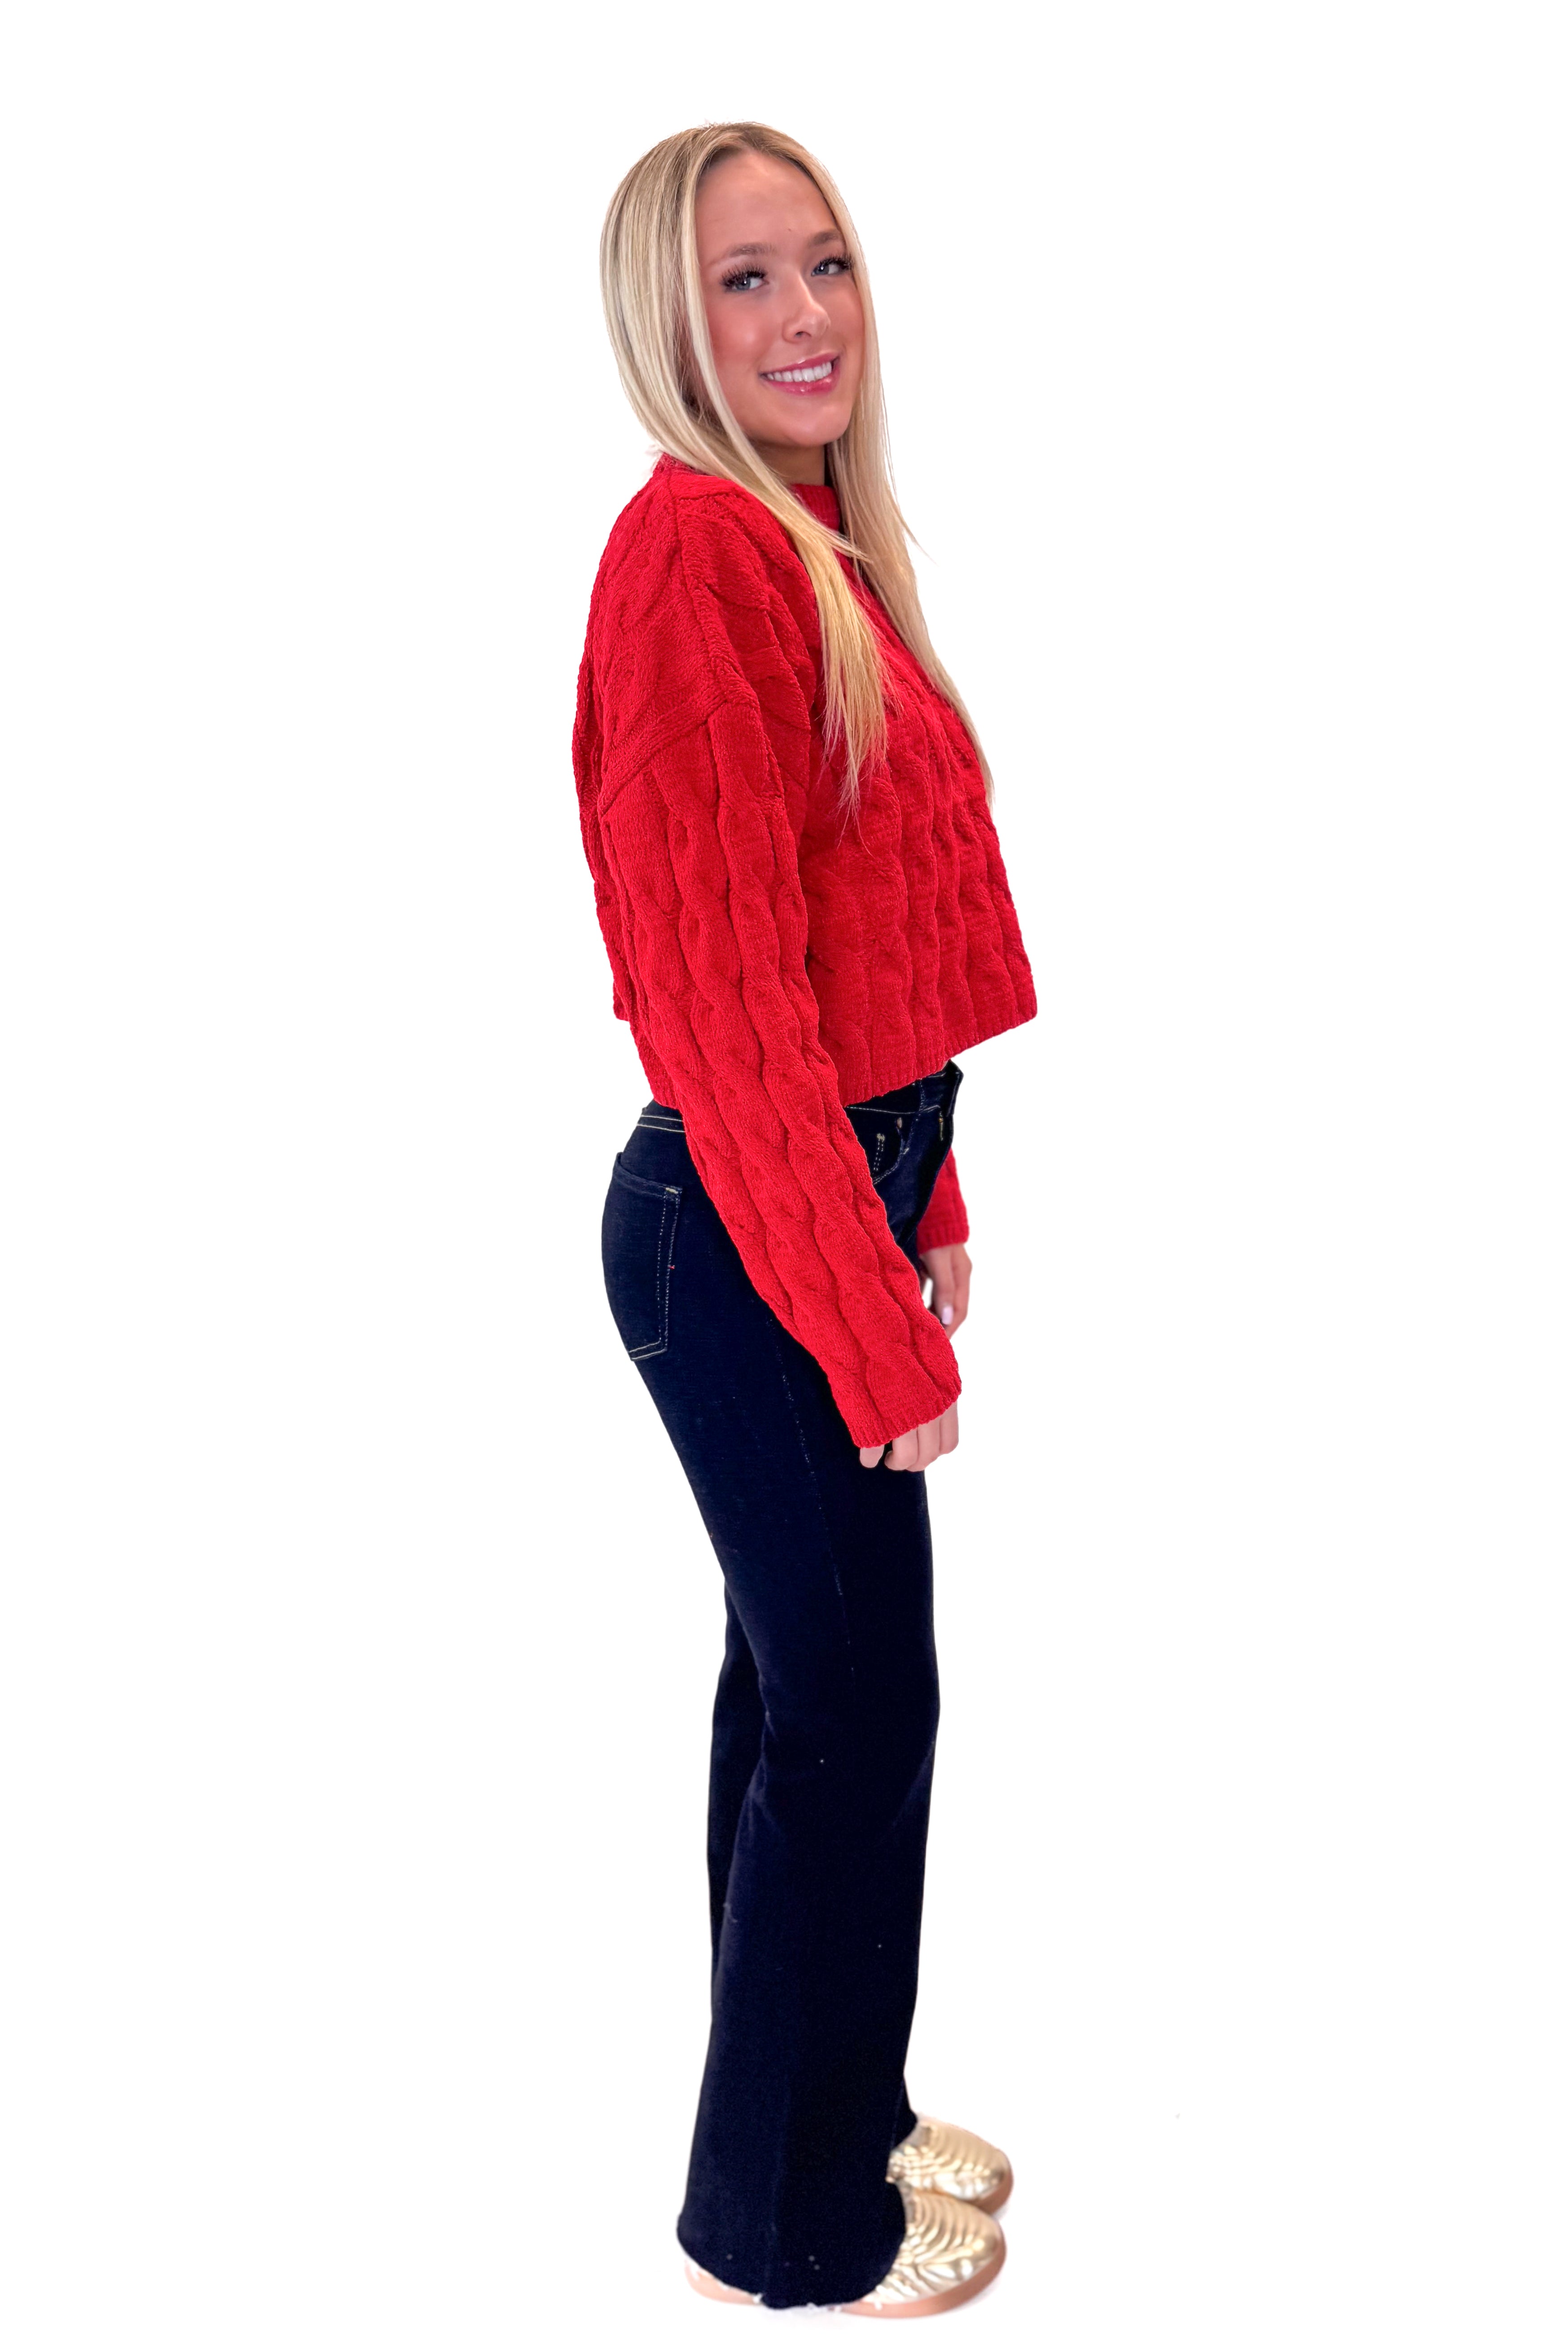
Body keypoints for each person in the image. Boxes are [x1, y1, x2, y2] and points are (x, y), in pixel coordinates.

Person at [573, 122, 1037, 2316]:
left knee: (827, 1695)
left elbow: (867, 932)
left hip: (824, 1188)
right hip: (743, 1226)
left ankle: (822, 2117)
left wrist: (923, 1181)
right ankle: (782, 2225)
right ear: (669, 324)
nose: (803, 314)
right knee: (850, 1716)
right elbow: (726, 1000)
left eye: (823, 261)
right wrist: (861, 1310)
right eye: (743, 279)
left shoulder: (820, 540)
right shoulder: (695, 556)